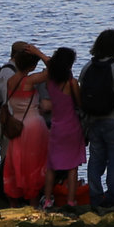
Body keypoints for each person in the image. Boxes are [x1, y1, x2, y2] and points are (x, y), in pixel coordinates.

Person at [80, 29, 114, 202]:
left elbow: (82, 93)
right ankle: (112, 197)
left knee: (95, 160)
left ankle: (95, 195)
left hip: (93, 120)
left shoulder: (88, 66)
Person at [0, 41, 50, 204]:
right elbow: (54, 69)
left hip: (17, 124)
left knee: (16, 161)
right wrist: (39, 53)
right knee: (34, 163)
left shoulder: (11, 81)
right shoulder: (29, 81)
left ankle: (14, 201)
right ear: (32, 65)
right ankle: (33, 202)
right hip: (33, 125)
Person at [41, 47, 85, 207]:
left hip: (56, 127)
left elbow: (49, 64)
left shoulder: (49, 82)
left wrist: (38, 53)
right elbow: (79, 104)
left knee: (51, 166)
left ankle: (47, 200)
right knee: (72, 167)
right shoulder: (71, 83)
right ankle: (71, 201)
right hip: (72, 126)